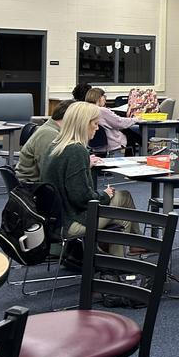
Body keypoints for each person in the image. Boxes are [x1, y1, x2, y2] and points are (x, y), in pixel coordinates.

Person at [41, 102, 140, 257]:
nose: (97, 128)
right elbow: (82, 198)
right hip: (71, 221)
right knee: (123, 202)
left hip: (54, 219)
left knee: (121, 206)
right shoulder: (76, 150)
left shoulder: (55, 145)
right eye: (95, 123)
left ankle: (114, 261)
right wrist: (106, 194)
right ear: (83, 124)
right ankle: (120, 262)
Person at [16, 99, 74, 182]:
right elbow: (49, 171)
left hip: (35, 182)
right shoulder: (49, 134)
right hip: (33, 186)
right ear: (71, 118)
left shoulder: (51, 129)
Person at [85, 87, 140, 155]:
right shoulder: (101, 110)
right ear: (99, 98)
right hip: (111, 144)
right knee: (130, 134)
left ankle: (147, 145)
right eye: (104, 96)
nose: (105, 99)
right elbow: (120, 122)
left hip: (93, 145)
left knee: (127, 131)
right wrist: (136, 119)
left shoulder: (85, 109)